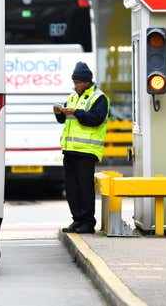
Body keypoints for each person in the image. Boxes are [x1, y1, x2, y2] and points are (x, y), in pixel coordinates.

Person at [53, 62, 109, 234]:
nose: (76, 85)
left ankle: (87, 222)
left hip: (86, 151)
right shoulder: (72, 97)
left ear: (87, 82)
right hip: (70, 149)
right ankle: (77, 220)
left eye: (78, 82)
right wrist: (59, 114)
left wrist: (76, 112)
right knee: (71, 188)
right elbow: (65, 120)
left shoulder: (99, 98)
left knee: (85, 188)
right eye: (74, 82)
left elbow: (95, 119)